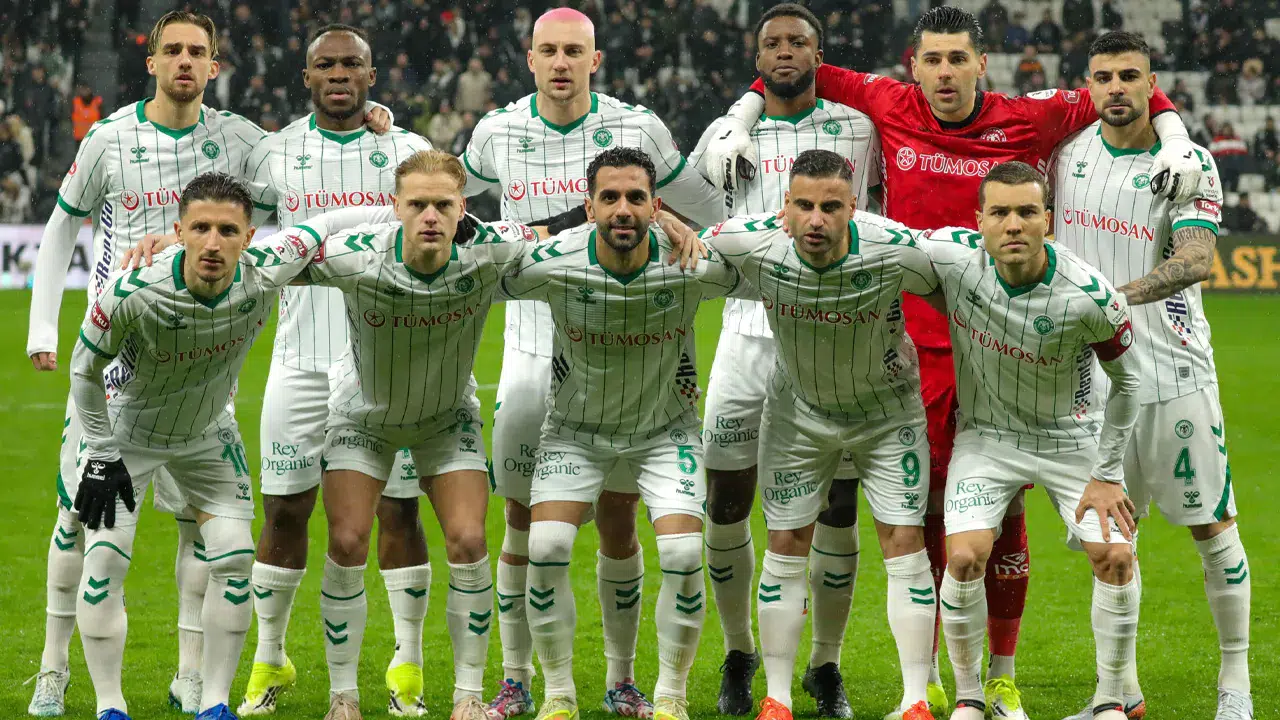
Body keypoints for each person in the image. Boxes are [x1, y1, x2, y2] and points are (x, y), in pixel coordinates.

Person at [700, 8, 1203, 717]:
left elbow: (1119, 87)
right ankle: (934, 676)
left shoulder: (1027, 118)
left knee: (1007, 509)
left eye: (957, 60)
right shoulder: (889, 102)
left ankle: (1001, 672)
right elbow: (793, 65)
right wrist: (740, 116)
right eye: (931, 60)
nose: (944, 73)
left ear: (980, 65)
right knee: (939, 513)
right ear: (914, 66)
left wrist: (1175, 137)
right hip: (917, 347)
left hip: (1002, 336)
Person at [23, 11, 391, 716]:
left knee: (203, 525)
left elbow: (313, 170)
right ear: (152, 61)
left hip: (203, 358)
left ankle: (192, 673)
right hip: (119, 353)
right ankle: (53, 666)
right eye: (173, 51)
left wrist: (374, 117)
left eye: (198, 51)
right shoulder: (109, 138)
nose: (185, 62)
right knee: (79, 517)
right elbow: (63, 222)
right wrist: (44, 325)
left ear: (214, 65)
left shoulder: (243, 140)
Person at [461, 9, 722, 718]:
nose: (560, 63)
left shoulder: (638, 129)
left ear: (595, 59)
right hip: (530, 348)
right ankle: (518, 679)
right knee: (526, 526)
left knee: (617, 518)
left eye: (573, 51)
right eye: (548, 51)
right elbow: (451, 197)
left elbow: (710, 207)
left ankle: (622, 679)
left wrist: (672, 219)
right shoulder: (495, 131)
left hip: (622, 341)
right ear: (529, 59)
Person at [67, 172, 386, 720]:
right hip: (128, 435)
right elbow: (82, 371)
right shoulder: (131, 291)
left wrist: (402, 216)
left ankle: (215, 703)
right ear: (178, 232)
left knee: (236, 557)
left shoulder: (266, 268)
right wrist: (99, 450)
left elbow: (328, 222)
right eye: (200, 228)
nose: (213, 243)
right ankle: (109, 707)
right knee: (104, 559)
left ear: (249, 236)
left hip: (207, 435)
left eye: (228, 230)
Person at [695, 149, 940, 720]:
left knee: (904, 542)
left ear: (854, 207)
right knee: (786, 543)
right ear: (785, 206)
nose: (815, 220)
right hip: (798, 416)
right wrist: (674, 230)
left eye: (831, 207)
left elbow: (954, 282)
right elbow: (692, 248)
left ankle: (915, 700)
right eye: (803, 205)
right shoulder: (752, 239)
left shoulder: (894, 246)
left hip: (886, 415)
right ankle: (777, 698)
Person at [685, 5, 880, 716]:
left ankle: (825, 665)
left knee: (836, 507)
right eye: (773, 43)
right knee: (725, 498)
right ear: (757, 55)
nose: (786, 51)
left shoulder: (860, 128)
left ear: (819, 54)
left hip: (835, 338)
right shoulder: (725, 134)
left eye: (799, 41)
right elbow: (697, 223)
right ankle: (740, 652)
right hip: (746, 333)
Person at [236, 24, 435, 718]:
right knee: (284, 509)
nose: (340, 74)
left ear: (372, 76)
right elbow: (233, 221)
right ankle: (270, 659)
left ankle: (407, 670)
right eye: (326, 65)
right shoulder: (274, 152)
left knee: (397, 510)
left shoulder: (407, 150)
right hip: (298, 359)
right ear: (307, 77)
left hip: (383, 365)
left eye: (353, 64)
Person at [1054, 33, 1253, 720]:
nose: (1115, 87)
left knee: (1213, 527)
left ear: (1151, 83)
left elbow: (1195, 259)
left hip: (1173, 374)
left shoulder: (1186, 161)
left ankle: (1235, 684)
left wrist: (1111, 300)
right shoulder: (1064, 154)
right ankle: (1116, 695)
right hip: (1091, 386)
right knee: (1109, 543)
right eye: (1103, 76)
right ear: (1087, 84)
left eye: (1129, 75)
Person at [500, 147, 738, 720]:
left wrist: (696, 232)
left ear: (656, 206)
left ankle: (670, 697)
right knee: (546, 547)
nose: (623, 209)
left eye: (636, 198)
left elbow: (753, 257)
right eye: (609, 198)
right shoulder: (555, 260)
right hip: (575, 432)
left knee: (683, 552)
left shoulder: (689, 262)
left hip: (665, 432)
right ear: (589, 208)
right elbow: (487, 256)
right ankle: (558, 696)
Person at [921, 161, 1142, 720]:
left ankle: (1111, 700)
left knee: (1116, 558)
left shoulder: (1090, 296)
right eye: (999, 212)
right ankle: (971, 696)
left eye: (1026, 212)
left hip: (1072, 439)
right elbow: (882, 241)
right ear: (979, 220)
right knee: (964, 558)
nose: (1013, 224)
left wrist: (1107, 474)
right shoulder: (951, 257)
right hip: (988, 437)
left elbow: (1130, 383)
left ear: (1049, 219)